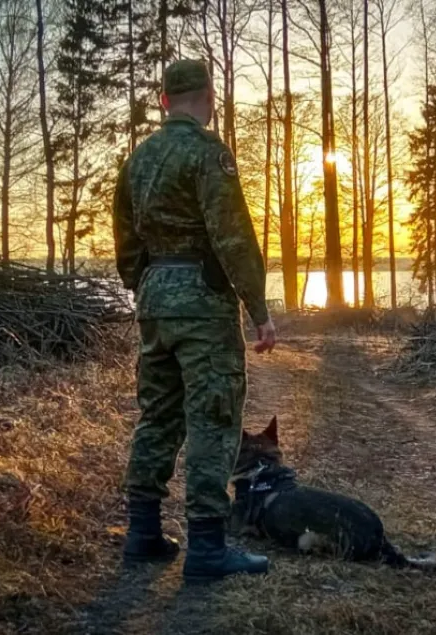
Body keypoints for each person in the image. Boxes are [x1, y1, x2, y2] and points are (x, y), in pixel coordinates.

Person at [111, 58, 277, 583]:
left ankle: (142, 534)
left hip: (156, 302)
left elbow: (125, 240)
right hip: (204, 304)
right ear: (208, 95)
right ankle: (206, 547)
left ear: (164, 100)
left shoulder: (137, 160)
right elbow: (232, 237)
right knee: (213, 416)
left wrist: (147, 287)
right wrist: (259, 311)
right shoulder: (209, 154)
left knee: (157, 414)